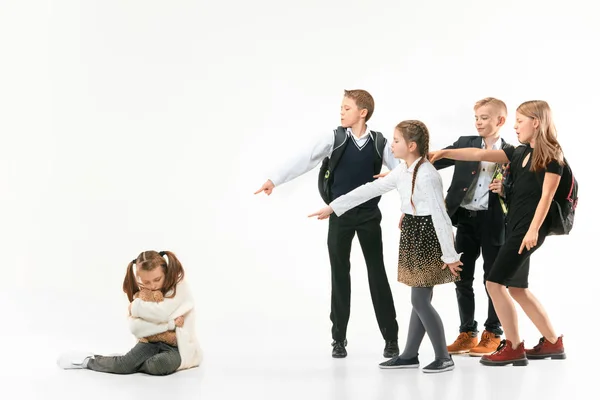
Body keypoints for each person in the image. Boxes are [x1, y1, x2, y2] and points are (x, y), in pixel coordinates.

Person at [255, 89, 400, 359]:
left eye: (346, 108)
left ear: (362, 112)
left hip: (369, 216)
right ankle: (339, 340)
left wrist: (409, 207)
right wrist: (274, 179)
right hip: (339, 217)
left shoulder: (380, 142)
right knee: (339, 276)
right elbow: (304, 158)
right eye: (341, 107)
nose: (341, 112)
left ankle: (391, 338)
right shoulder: (334, 137)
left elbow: (402, 172)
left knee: (377, 275)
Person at [309, 120, 463, 373]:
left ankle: (443, 357)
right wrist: (334, 206)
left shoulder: (427, 174)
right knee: (419, 300)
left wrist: (449, 254)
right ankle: (410, 355)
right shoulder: (403, 171)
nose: (390, 145)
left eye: (396, 141)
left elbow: (440, 215)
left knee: (420, 301)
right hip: (413, 234)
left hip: (428, 235)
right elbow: (371, 189)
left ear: (411, 146)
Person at [430, 100, 567, 366]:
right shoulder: (519, 153)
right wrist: (444, 153)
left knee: (494, 283)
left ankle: (513, 346)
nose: (516, 126)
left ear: (536, 122)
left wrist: (533, 231)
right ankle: (553, 342)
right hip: (516, 227)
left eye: (520, 121)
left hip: (525, 232)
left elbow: (546, 198)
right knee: (517, 289)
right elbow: (478, 155)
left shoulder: (551, 156)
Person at [433, 97, 512, 356]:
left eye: (485, 118)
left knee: (493, 279)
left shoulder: (513, 152)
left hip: (494, 223)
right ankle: (467, 333)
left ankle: (493, 333)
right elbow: (434, 160)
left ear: (500, 120)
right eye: (476, 117)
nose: (478, 122)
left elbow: (525, 189)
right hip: (465, 219)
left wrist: (506, 188)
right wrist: (401, 170)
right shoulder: (464, 144)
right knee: (462, 277)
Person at [57, 250, 202, 375]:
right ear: (139, 279)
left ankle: (130, 363)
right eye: (146, 282)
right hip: (149, 342)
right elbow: (136, 328)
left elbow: (161, 313)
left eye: (157, 279)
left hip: (175, 347)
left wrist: (136, 309)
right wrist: (170, 324)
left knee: (159, 365)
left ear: (166, 272)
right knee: (123, 365)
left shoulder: (180, 288)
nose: (152, 286)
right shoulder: (140, 297)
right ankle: (88, 361)